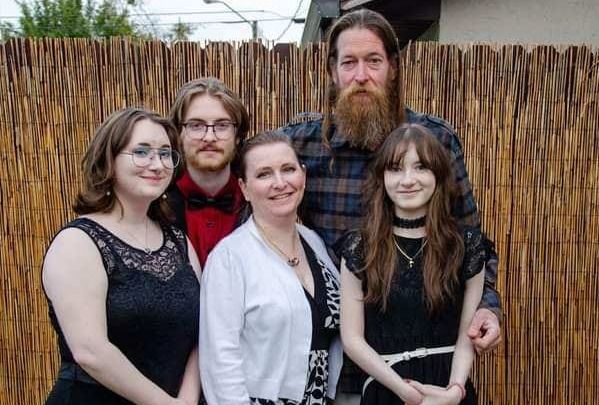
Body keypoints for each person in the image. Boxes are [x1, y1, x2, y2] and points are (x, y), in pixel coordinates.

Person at [279, 9, 501, 401]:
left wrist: (487, 308)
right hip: (329, 366)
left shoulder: (435, 140)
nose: (361, 75)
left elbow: (470, 242)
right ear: (332, 72)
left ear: (393, 68)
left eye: (373, 61)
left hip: (428, 368)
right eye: (349, 63)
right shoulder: (300, 146)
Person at [42, 107, 201, 405]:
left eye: (165, 154)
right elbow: (90, 351)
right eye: (141, 152)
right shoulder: (78, 242)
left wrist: (188, 399)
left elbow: (202, 332)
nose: (157, 164)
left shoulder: (178, 242)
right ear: (109, 160)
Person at [339, 125, 485, 405]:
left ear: (438, 175)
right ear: (382, 177)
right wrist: (405, 391)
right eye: (395, 169)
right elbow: (352, 339)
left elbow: (467, 334)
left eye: (420, 167)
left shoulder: (466, 245)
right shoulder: (360, 247)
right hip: (387, 390)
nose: (407, 180)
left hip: (448, 393)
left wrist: (455, 391)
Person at [199, 131, 342, 405]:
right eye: (264, 174)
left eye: (288, 169)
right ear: (244, 188)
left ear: (303, 176)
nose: (280, 183)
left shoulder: (314, 242)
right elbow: (219, 359)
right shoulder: (229, 258)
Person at [167, 77, 250, 266]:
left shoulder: (259, 202)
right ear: (178, 133)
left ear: (237, 136)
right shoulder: (155, 205)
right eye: (196, 125)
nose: (210, 137)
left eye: (222, 125)